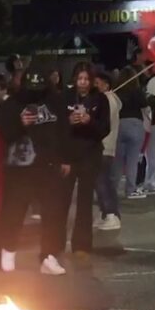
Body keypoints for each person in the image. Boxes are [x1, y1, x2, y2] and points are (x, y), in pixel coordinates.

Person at [0, 64, 70, 275]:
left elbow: (64, 131)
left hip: (48, 166)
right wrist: (20, 123)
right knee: (14, 211)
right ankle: (8, 251)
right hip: (19, 168)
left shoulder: (56, 101)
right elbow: (5, 134)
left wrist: (65, 158)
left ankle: (48, 256)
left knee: (52, 213)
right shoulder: (11, 104)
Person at [60, 62, 110, 260]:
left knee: (84, 201)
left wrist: (90, 122)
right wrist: (68, 121)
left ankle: (81, 244)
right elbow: (57, 126)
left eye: (86, 79)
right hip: (68, 156)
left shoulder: (101, 99)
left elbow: (105, 129)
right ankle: (55, 242)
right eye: (80, 78)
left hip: (90, 155)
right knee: (62, 200)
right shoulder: (65, 96)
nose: (83, 82)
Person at [114, 67, 148, 199]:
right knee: (132, 161)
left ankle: (113, 188)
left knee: (117, 160)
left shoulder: (117, 92)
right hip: (135, 124)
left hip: (119, 124)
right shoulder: (137, 91)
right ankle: (130, 189)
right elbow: (146, 109)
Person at [93, 71, 122, 231]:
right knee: (101, 181)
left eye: (97, 83)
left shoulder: (108, 100)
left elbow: (104, 124)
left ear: (106, 84)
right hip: (104, 146)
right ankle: (106, 213)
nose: (94, 86)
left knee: (102, 181)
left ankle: (111, 213)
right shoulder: (106, 99)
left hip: (104, 146)